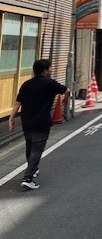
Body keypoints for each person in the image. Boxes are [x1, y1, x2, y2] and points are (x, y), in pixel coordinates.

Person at [8, 58, 70, 190]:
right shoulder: (50, 83)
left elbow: (17, 103)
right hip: (42, 122)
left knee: (30, 147)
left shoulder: (26, 84)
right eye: (50, 68)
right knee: (37, 149)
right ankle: (27, 178)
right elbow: (67, 90)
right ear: (45, 71)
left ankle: (33, 169)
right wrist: (65, 100)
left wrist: (11, 119)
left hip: (27, 121)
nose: (51, 70)